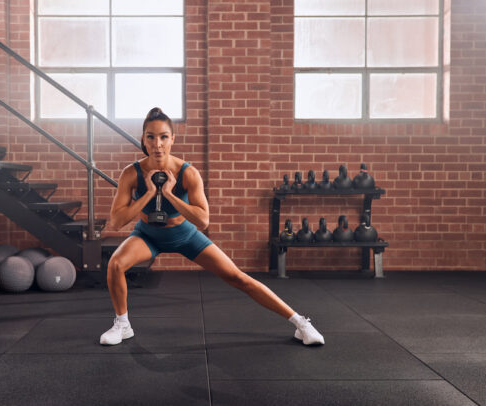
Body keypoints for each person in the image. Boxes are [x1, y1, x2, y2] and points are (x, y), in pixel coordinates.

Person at [100, 107, 324, 346]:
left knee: (238, 278)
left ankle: (301, 323)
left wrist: (169, 194)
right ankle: (123, 325)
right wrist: (148, 195)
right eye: (151, 137)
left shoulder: (188, 173)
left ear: (173, 139)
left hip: (184, 235)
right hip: (148, 236)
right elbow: (117, 220)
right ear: (143, 139)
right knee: (116, 264)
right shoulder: (131, 174)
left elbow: (203, 220)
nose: (157, 144)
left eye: (164, 137)